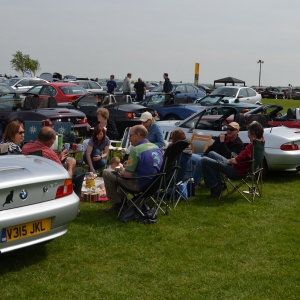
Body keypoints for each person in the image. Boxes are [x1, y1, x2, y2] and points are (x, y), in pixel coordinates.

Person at [102, 125, 163, 213]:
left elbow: (127, 175)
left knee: (106, 172)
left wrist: (121, 170)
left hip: (139, 185)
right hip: (153, 184)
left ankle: (118, 204)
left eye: (130, 135)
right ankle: (122, 201)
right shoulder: (156, 148)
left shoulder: (136, 150)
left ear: (138, 135)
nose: (129, 139)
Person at [201, 121, 264, 198]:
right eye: (228, 129)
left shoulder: (249, 146)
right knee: (211, 153)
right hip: (240, 167)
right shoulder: (260, 142)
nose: (247, 135)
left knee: (204, 160)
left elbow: (235, 160)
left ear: (253, 134)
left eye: (248, 132)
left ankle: (214, 186)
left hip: (235, 171)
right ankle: (219, 184)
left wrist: (228, 161)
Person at [191, 122, 244, 188]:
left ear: (237, 131)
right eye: (227, 129)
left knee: (201, 160)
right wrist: (204, 155)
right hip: (208, 157)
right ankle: (187, 180)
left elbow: (230, 156)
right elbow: (211, 147)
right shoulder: (222, 137)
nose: (229, 131)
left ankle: (193, 184)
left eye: (232, 129)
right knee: (187, 155)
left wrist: (222, 143)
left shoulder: (239, 144)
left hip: (222, 163)